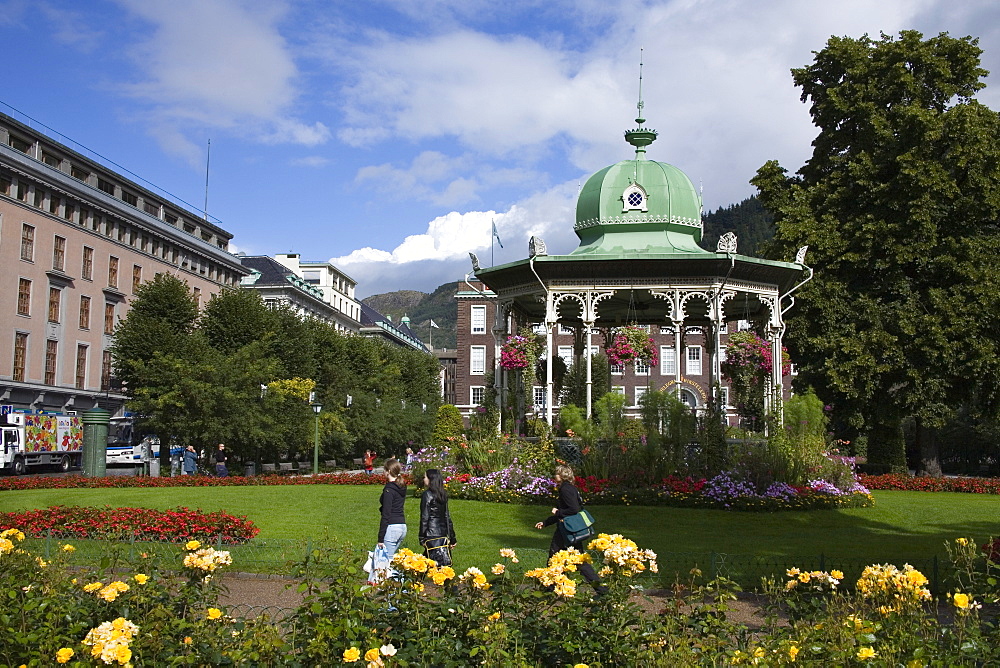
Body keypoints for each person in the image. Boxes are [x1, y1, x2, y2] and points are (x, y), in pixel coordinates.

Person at [534, 464, 606, 595]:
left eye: (556, 474)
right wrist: (546, 522)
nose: (554, 477)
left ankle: (550, 589)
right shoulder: (571, 488)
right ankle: (601, 590)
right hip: (569, 529)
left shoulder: (565, 489)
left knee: (555, 556)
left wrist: (557, 512)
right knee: (578, 560)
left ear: (562, 475)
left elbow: (572, 509)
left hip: (566, 530)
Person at [419, 468, 457, 566]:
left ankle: (417, 580)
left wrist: (422, 537)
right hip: (442, 533)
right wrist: (452, 537)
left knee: (429, 564)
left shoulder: (427, 494)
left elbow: (425, 517)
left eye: (425, 477)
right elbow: (447, 517)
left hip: (431, 533)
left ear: (431, 479)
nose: (424, 479)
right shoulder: (442, 494)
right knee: (440, 563)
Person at [377, 458, 407, 561]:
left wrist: (381, 538)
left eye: (384, 470)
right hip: (402, 526)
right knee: (392, 560)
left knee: (385, 562)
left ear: (388, 471)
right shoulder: (401, 486)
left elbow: (386, 513)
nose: (383, 472)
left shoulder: (389, 489)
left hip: (392, 526)